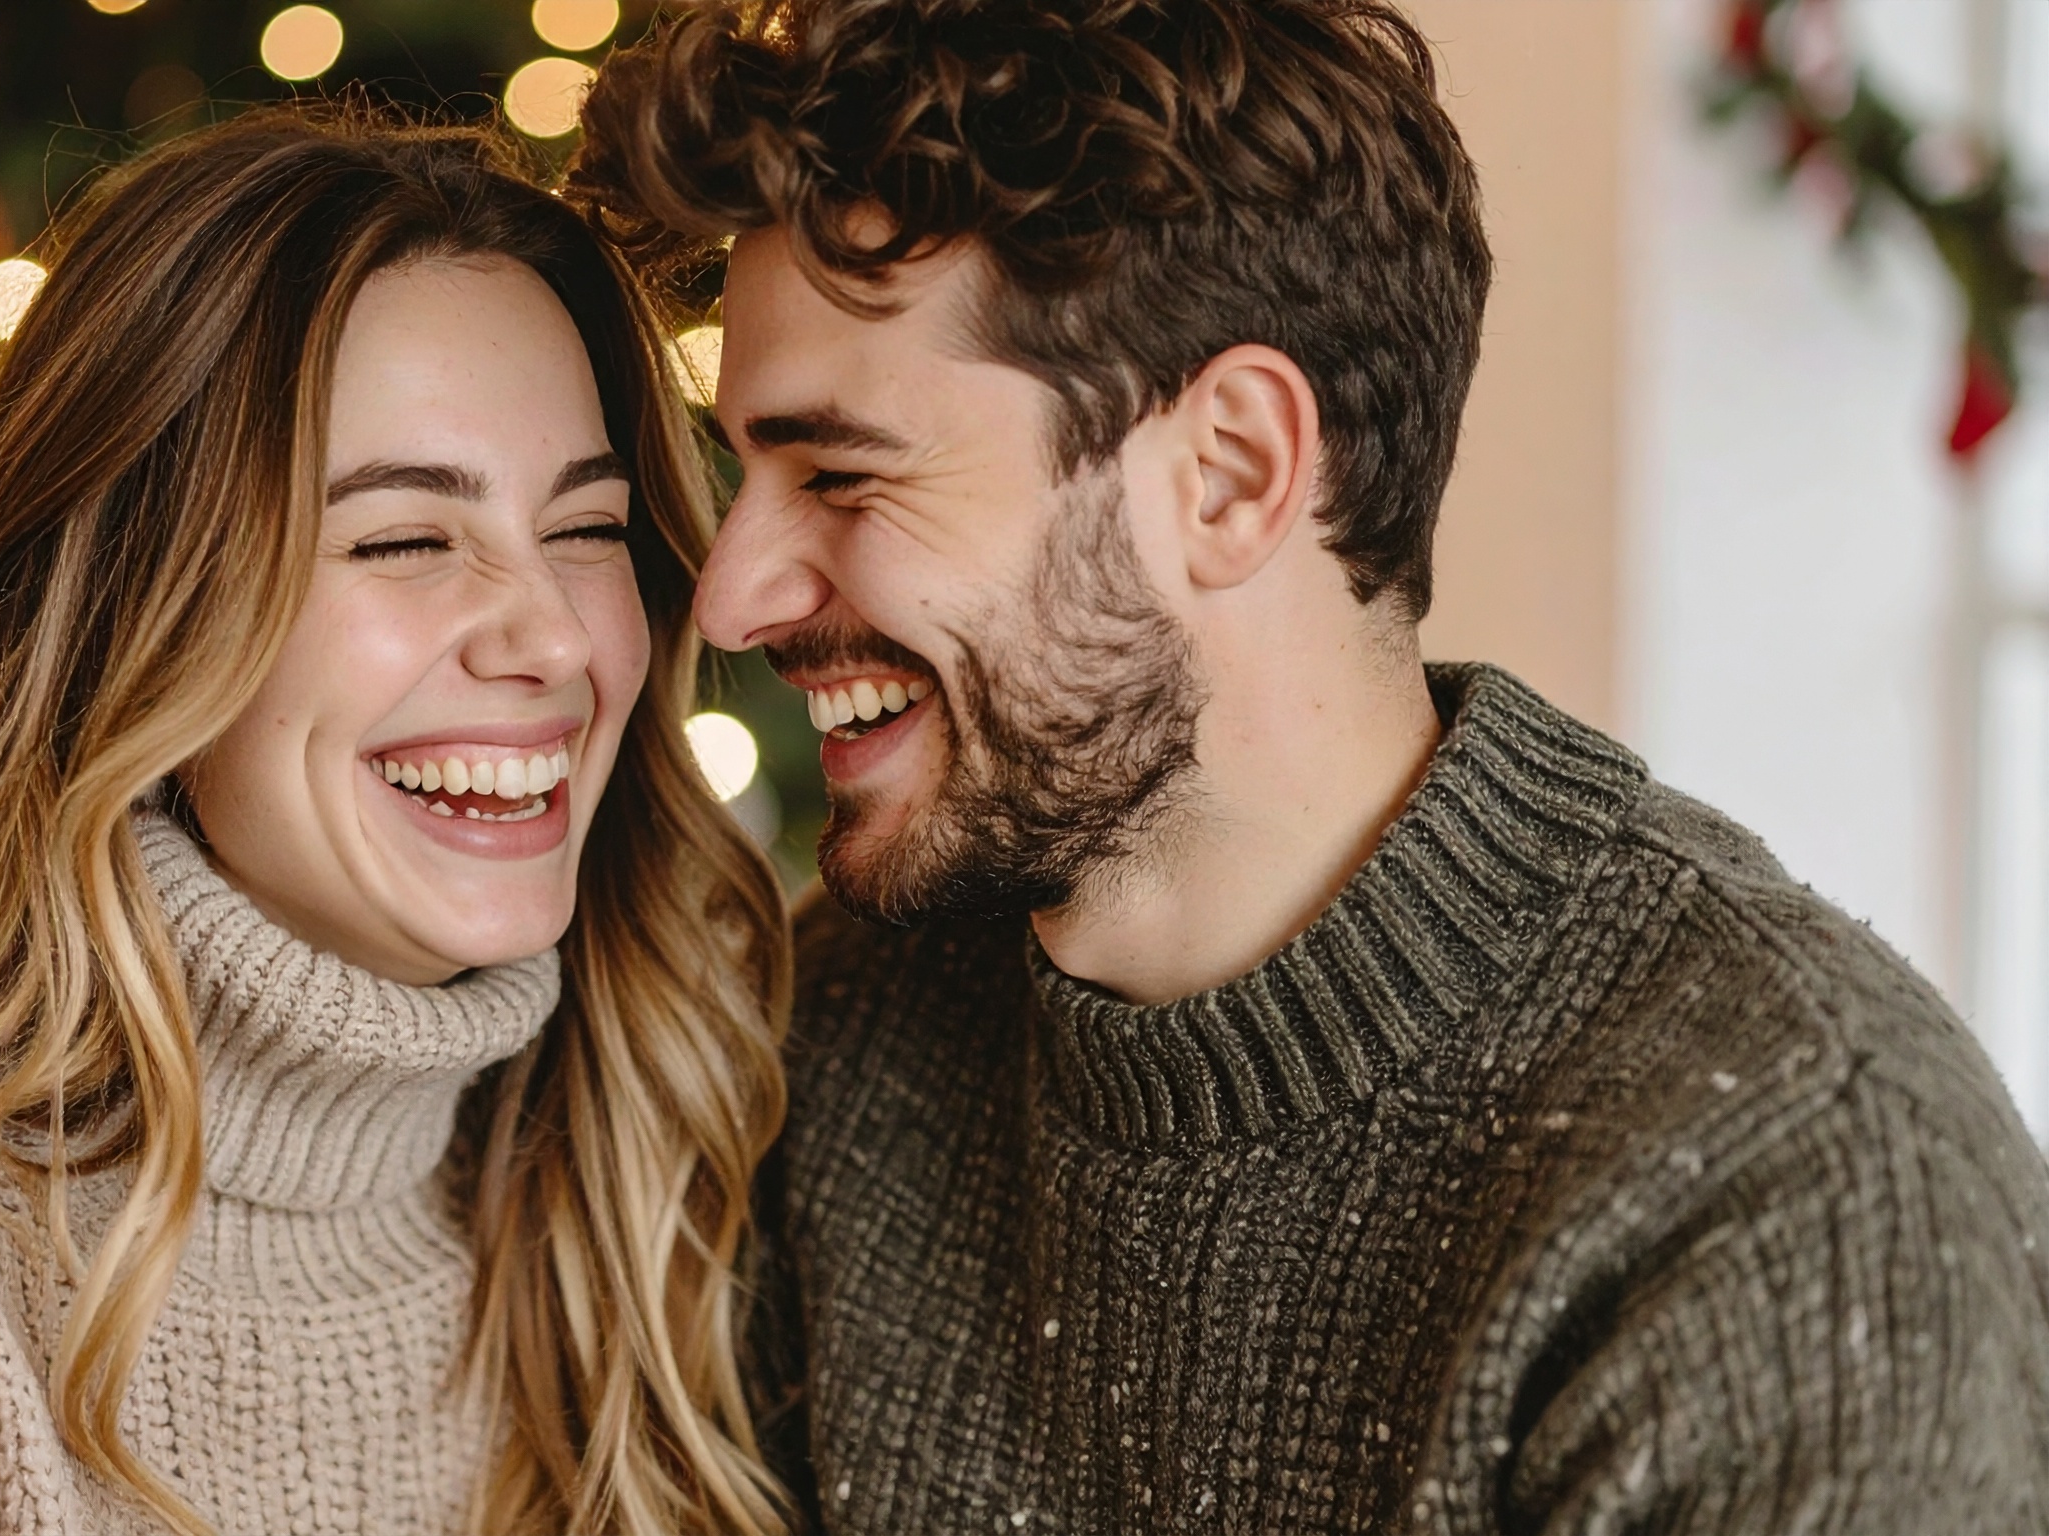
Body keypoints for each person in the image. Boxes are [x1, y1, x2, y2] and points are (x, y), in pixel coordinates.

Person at [571, 2, 2049, 1532]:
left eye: (841, 473)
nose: (734, 594)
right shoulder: (826, 1055)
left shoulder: (1786, 1188)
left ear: (1230, 475)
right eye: (749, 472)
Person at [0, 110, 795, 1536]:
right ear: (143, 630)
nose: (554, 639)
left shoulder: (671, 1176)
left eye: (587, 531)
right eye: (404, 539)